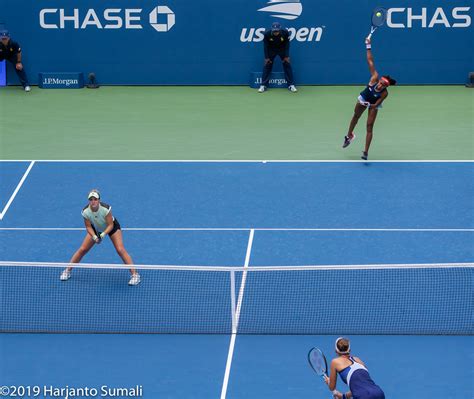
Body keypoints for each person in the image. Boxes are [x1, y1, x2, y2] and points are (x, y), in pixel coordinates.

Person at [60, 189, 141, 286]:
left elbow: (110, 225)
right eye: (91, 199)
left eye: (95, 199)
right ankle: (67, 271)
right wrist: (94, 236)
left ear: (99, 200)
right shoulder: (85, 211)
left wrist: (102, 235)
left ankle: (135, 275)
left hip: (111, 227)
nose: (93, 201)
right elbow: (88, 226)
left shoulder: (106, 209)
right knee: (82, 249)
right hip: (96, 228)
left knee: (120, 249)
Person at [342, 37, 396, 160]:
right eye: (381, 82)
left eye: (384, 85)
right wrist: (368, 46)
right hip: (364, 98)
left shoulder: (384, 93)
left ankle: (365, 152)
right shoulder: (374, 78)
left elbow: (378, 103)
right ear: (380, 79)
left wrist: (372, 105)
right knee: (356, 116)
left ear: (386, 86)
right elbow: (370, 61)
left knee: (369, 126)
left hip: (372, 104)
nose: (381, 85)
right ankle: (349, 135)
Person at [257, 22, 297, 93]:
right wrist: (266, 57)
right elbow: (266, 46)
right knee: (267, 65)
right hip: (271, 50)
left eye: (277, 31)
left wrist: (286, 56)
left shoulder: (285, 33)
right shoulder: (267, 34)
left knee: (287, 65)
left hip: (282, 50)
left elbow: (287, 44)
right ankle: (263, 85)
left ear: (280, 29)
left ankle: (291, 85)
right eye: (274, 31)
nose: (276, 32)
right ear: (272, 29)